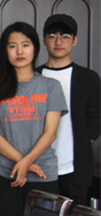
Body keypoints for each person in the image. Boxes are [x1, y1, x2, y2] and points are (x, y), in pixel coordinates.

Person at [0, 22, 67, 216]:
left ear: (35, 48)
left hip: (43, 175)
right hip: (4, 175)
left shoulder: (50, 86)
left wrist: (26, 162)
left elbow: (50, 133)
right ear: (5, 51)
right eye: (12, 46)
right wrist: (23, 162)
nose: (19, 51)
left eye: (25, 45)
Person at [37, 14, 100, 205]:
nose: (58, 42)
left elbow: (97, 118)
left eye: (65, 36)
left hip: (75, 169)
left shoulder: (87, 78)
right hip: (38, 167)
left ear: (75, 40)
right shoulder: (34, 76)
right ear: (44, 39)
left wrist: (82, 141)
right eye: (52, 36)